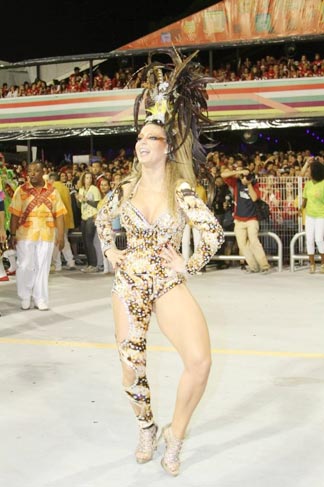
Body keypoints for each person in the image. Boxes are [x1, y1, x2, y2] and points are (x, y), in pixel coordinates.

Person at [96, 49, 224, 477]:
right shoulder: (125, 189)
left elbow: (213, 233)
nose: (140, 144)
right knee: (131, 369)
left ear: (167, 147)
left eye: (150, 138)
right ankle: (147, 427)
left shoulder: (180, 188)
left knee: (200, 362)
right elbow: (100, 217)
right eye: (138, 139)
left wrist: (189, 264)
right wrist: (111, 250)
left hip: (167, 283)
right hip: (129, 282)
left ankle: (176, 435)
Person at [8, 161, 66, 311]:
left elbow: (59, 215)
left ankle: (40, 298)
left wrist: (60, 236)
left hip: (47, 234)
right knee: (25, 265)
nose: (32, 173)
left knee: (43, 267)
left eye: (36, 171)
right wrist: (12, 234)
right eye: (30, 171)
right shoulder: (21, 190)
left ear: (43, 172)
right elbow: (14, 214)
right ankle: (25, 296)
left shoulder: (53, 191)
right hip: (24, 234)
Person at [221, 166, 270, 273]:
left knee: (254, 242)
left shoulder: (254, 184)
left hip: (252, 219)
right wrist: (239, 171)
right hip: (238, 220)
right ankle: (253, 267)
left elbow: (254, 198)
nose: (244, 179)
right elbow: (223, 175)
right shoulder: (236, 183)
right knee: (242, 246)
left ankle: (264, 265)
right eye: (243, 177)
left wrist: (248, 184)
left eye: (247, 177)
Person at [299, 158, 324, 273]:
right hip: (310, 215)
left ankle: (323, 264)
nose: (308, 172)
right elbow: (305, 198)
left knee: (319, 239)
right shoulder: (308, 184)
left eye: (310, 170)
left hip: (321, 215)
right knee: (309, 240)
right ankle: (312, 264)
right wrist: (301, 208)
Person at [48, 172, 76, 271]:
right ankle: (70, 261)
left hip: (56, 219)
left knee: (56, 242)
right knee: (64, 241)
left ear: (51, 180)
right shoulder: (65, 188)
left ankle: (58, 265)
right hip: (66, 218)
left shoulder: (52, 189)